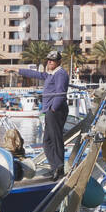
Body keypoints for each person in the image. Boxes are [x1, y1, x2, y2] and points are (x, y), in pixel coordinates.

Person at [19, 49, 70, 179]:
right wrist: (17, 70)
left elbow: (61, 92)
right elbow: (37, 74)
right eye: (48, 60)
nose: (49, 62)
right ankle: (55, 167)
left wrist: (53, 108)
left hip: (55, 111)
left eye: (52, 60)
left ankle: (59, 168)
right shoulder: (51, 74)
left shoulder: (60, 74)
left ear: (58, 62)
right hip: (50, 110)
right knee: (47, 141)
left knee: (55, 139)